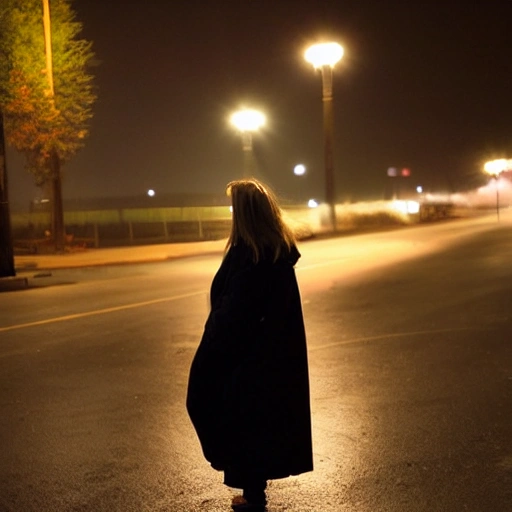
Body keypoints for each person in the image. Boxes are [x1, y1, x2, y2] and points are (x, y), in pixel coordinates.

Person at [186, 178, 313, 512]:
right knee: (254, 422)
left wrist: (213, 340)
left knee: (221, 410)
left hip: (245, 357)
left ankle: (251, 493)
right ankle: (253, 490)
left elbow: (235, 314)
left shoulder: (252, 256)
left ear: (244, 214)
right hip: (265, 357)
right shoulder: (273, 250)